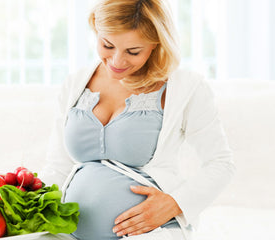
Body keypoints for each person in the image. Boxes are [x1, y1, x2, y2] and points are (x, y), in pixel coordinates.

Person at [41, 0, 235, 239]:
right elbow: (57, 167)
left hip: (152, 233)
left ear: (156, 43)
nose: (117, 61)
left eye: (133, 51)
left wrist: (176, 203)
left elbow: (221, 163)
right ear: (95, 29)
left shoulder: (187, 88)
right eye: (107, 45)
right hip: (69, 234)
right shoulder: (75, 83)